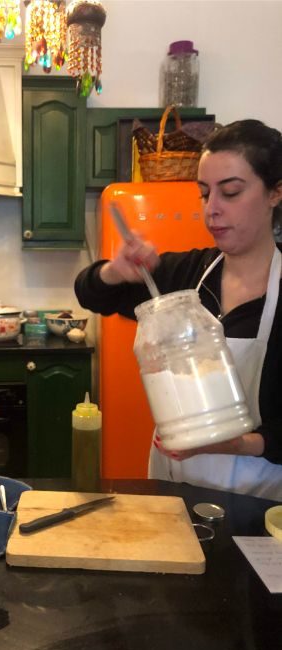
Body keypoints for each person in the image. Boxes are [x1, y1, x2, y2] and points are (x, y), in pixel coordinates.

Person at [75, 119, 282, 500]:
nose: (212, 209)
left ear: (275, 192)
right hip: (172, 489)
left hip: (255, 502)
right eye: (205, 194)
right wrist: (114, 271)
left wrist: (232, 443)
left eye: (231, 192)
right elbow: (91, 294)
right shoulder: (185, 274)